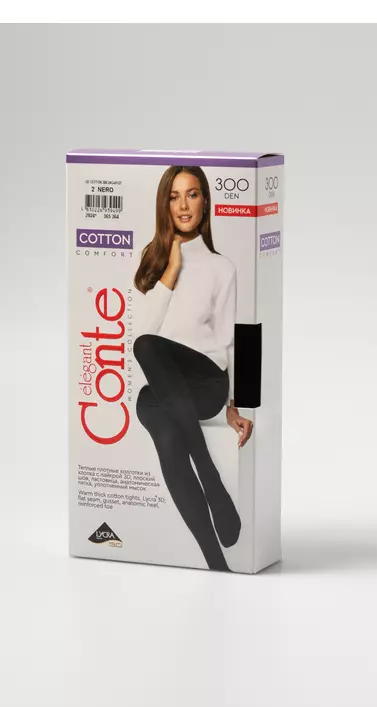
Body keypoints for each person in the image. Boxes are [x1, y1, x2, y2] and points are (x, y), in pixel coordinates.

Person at [132, 165, 254, 571]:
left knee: (149, 365)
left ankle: (208, 473)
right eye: (174, 196)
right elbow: (142, 332)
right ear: (165, 205)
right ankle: (216, 564)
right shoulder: (155, 260)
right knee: (153, 412)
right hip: (170, 386)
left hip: (206, 383)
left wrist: (235, 405)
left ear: (205, 203)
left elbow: (229, 338)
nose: (183, 205)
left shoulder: (222, 267)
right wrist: (170, 270)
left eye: (193, 194)